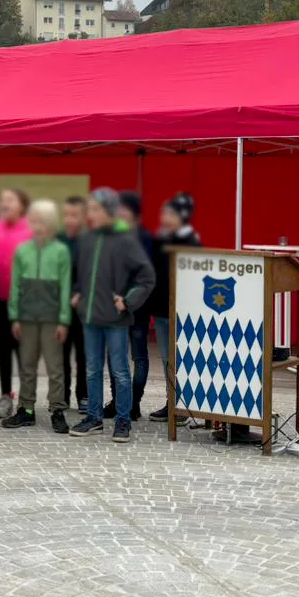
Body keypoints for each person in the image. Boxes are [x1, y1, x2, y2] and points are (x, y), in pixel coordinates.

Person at [70, 188, 155, 443]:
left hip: (116, 320)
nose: (90, 215)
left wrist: (128, 301)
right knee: (92, 369)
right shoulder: (86, 239)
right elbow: (79, 273)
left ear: (108, 211)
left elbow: (146, 278)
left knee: (120, 371)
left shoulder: (126, 241)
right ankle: (94, 418)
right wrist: (77, 293)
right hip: (90, 318)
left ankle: (122, 421)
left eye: (95, 210)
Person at [6, 199, 73, 433]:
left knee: (55, 367)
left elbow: (65, 287)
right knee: (27, 365)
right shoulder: (22, 251)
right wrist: (14, 315)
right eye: (34, 221)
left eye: (43, 222)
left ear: (52, 224)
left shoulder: (61, 251)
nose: (38, 226)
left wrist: (64, 319)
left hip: (52, 318)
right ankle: (26, 409)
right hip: (26, 317)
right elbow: (15, 285)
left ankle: (57, 410)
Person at [148, 193, 201, 422]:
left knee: (181, 357)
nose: (163, 217)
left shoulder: (191, 243)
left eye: (168, 213)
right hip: (161, 308)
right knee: (168, 359)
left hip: (181, 310)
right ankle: (173, 400)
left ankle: (184, 403)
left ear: (183, 216)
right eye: (163, 212)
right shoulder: (161, 239)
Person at [104, 192, 156, 423]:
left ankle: (133, 402)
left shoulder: (145, 239)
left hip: (138, 308)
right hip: (115, 308)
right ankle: (118, 401)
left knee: (139, 356)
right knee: (116, 356)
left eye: (122, 208)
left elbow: (145, 275)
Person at [0, 186, 32, 417]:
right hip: (0, 301)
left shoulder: (31, 231)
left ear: (22, 205)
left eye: (10, 200)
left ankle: (26, 398)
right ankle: (5, 396)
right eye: (3, 200)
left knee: (24, 350)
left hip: (25, 302)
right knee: (4, 348)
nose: (5, 204)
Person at [60, 195, 89, 410]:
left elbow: (93, 274)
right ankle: (62, 395)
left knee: (84, 355)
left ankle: (84, 396)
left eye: (74, 215)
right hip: (60, 307)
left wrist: (79, 293)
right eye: (66, 215)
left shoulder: (90, 241)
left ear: (84, 217)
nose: (70, 219)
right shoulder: (57, 241)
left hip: (84, 308)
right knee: (60, 355)